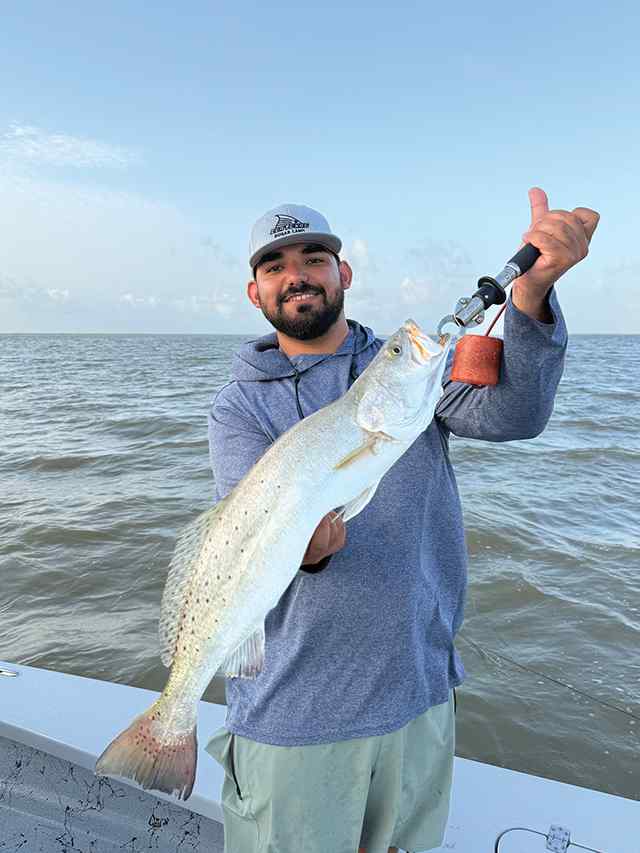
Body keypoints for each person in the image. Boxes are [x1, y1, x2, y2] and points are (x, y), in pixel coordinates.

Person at [205, 190, 599, 853]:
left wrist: (530, 297)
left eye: (313, 258)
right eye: (275, 266)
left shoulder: (410, 372)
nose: (296, 275)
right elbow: (248, 539)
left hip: (418, 694)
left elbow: (515, 415)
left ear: (343, 273)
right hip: (293, 710)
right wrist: (308, 548)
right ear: (255, 292)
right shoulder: (237, 407)